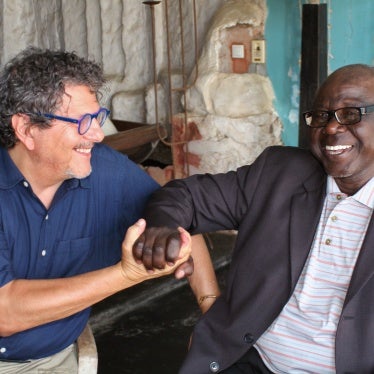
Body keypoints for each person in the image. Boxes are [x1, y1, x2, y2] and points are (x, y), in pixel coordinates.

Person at [133, 63, 374, 373]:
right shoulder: (280, 174)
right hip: (251, 362)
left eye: (351, 114)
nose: (330, 128)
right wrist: (162, 226)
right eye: (321, 116)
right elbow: (185, 197)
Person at [0, 46, 218, 373]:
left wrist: (214, 318)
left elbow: (181, 222)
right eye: (83, 121)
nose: (98, 134)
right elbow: (5, 313)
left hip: (52, 361)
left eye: (98, 117)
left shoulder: (105, 171)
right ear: (27, 129)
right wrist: (125, 274)